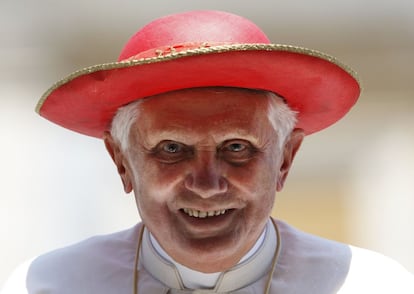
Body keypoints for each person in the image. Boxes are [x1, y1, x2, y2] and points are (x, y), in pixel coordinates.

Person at [2, 10, 413, 294]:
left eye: (237, 148)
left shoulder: (371, 284)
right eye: (171, 149)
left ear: (285, 159)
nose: (206, 184)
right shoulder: (45, 285)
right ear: (122, 162)